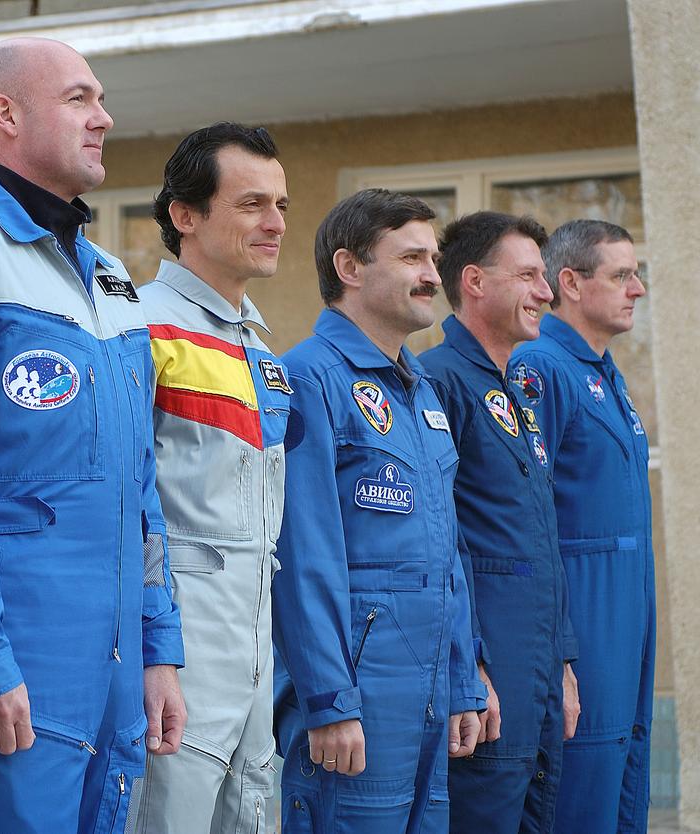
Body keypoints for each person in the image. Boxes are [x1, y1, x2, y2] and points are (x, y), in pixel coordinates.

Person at [0, 37, 185, 834]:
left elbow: (141, 487)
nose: (103, 117)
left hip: (115, 674)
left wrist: (158, 646)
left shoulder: (110, 277)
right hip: (17, 671)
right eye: (78, 98)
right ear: (6, 113)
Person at [273, 188, 486, 834]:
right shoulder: (309, 377)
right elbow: (303, 557)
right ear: (350, 268)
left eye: (434, 257)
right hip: (358, 694)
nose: (431, 275)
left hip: (425, 691)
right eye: (413, 257)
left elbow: (446, 554)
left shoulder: (419, 391)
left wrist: (461, 681)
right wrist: (329, 702)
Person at [126, 123, 289, 834]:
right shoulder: (139, 326)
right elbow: (127, 506)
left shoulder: (260, 346)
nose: (277, 223)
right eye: (252, 204)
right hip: (178, 656)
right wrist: (151, 651)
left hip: (256, 654)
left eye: (281, 204)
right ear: (184, 216)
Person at [419, 211, 580, 833]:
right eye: (530, 276)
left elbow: (539, 538)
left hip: (535, 669)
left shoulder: (518, 388)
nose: (547, 292)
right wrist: (471, 666)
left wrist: (562, 663)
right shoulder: (438, 382)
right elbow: (443, 540)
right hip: (489, 670)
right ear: (475, 282)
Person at [508, 219, 654, 834]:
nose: (638, 289)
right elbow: (523, 509)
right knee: (582, 788)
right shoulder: (540, 367)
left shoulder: (605, 373)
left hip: (629, 614)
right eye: (621, 275)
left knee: (625, 778)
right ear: (569, 281)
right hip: (584, 621)